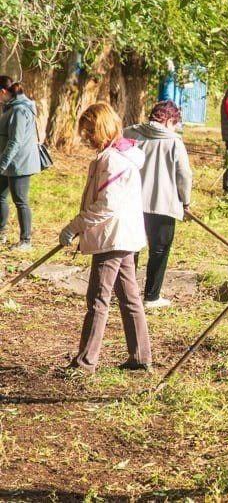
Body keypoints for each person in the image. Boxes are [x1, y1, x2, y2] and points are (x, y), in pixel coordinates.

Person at [59, 103, 152, 375]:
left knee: (98, 299)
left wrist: (74, 226)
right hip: (119, 236)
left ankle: (85, 363)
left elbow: (105, 206)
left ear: (102, 128)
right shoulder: (115, 156)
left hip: (112, 238)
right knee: (130, 297)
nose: (86, 137)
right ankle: (140, 357)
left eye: (89, 131)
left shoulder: (113, 160)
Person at [124, 101, 193, 309]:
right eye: (175, 123)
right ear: (170, 120)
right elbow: (184, 175)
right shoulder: (174, 142)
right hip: (163, 203)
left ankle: (127, 293)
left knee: (130, 248)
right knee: (160, 250)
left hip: (131, 201)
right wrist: (186, 201)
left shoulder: (129, 133)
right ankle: (151, 297)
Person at [0, 78, 40, 252]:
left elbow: (15, 141)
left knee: (20, 201)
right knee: (1, 196)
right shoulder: (11, 107)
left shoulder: (19, 110)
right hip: (7, 162)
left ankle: (26, 241)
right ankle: (1, 232)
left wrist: (2, 164)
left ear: (3, 91)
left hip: (19, 164)